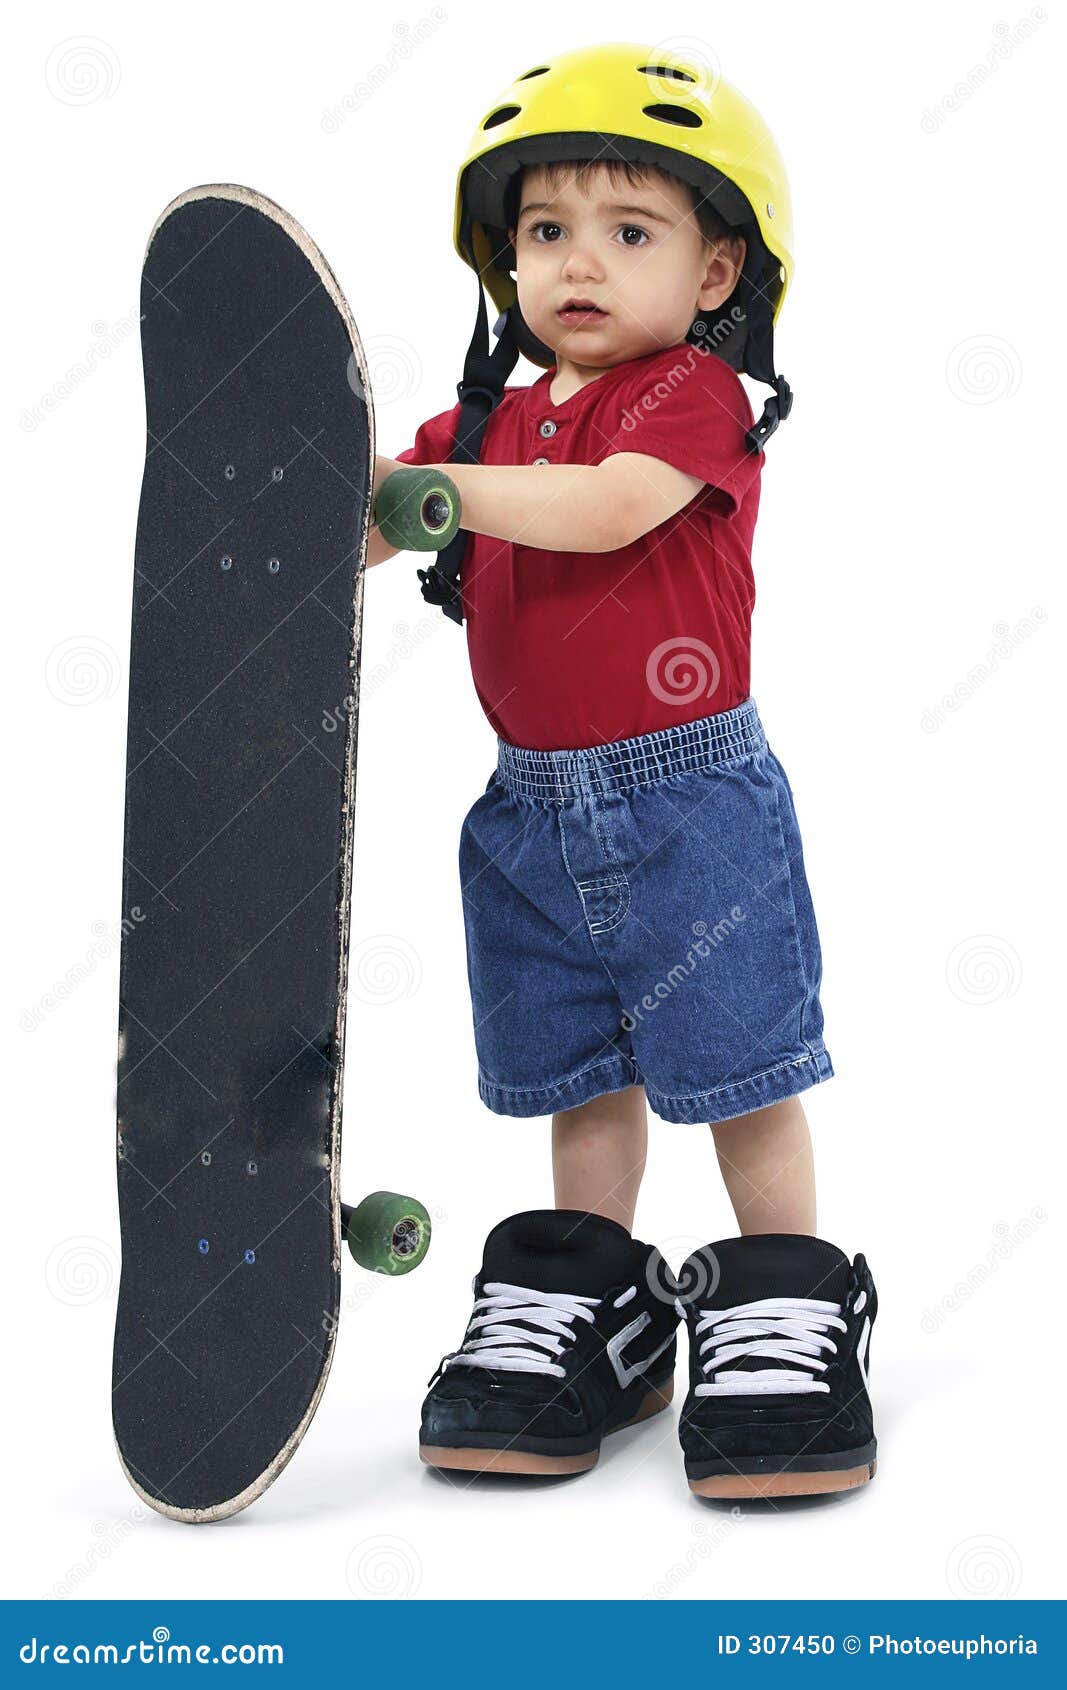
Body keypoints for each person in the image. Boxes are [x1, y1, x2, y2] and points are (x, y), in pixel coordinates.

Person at [368, 42, 877, 1498]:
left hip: (688, 804)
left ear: (717, 276)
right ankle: (594, 1305)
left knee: (738, 1071)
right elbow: (389, 510)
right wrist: (293, 531)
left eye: (629, 232)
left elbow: (601, 515)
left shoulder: (688, 402)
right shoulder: (487, 428)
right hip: (527, 813)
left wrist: (433, 494)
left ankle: (781, 1298)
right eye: (545, 233)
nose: (576, 263)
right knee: (585, 1081)